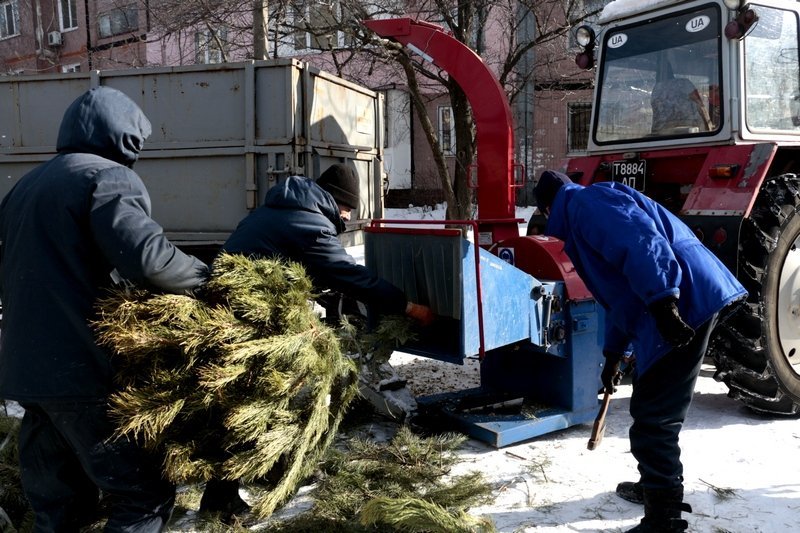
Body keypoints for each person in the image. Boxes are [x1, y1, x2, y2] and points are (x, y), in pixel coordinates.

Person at [0, 87, 210, 532]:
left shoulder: (25, 186)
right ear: (124, 137)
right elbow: (149, 259)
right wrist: (208, 279)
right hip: (84, 373)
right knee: (143, 495)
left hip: (28, 376)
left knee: (60, 511)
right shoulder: (106, 178)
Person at [199, 163, 435, 517]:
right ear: (335, 200)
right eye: (347, 208)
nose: (347, 216)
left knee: (278, 391)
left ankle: (278, 466)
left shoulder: (279, 208)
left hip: (234, 310)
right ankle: (219, 501)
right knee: (255, 400)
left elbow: (305, 269)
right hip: (245, 320)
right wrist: (407, 306)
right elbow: (348, 274)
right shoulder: (309, 222)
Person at [533, 170, 746, 533]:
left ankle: (664, 518)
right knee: (651, 404)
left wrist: (664, 302)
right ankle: (655, 487)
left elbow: (641, 243)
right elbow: (621, 296)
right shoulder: (584, 213)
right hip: (673, 302)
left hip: (685, 301)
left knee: (655, 416)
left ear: (547, 207)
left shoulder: (587, 204)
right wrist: (614, 353)